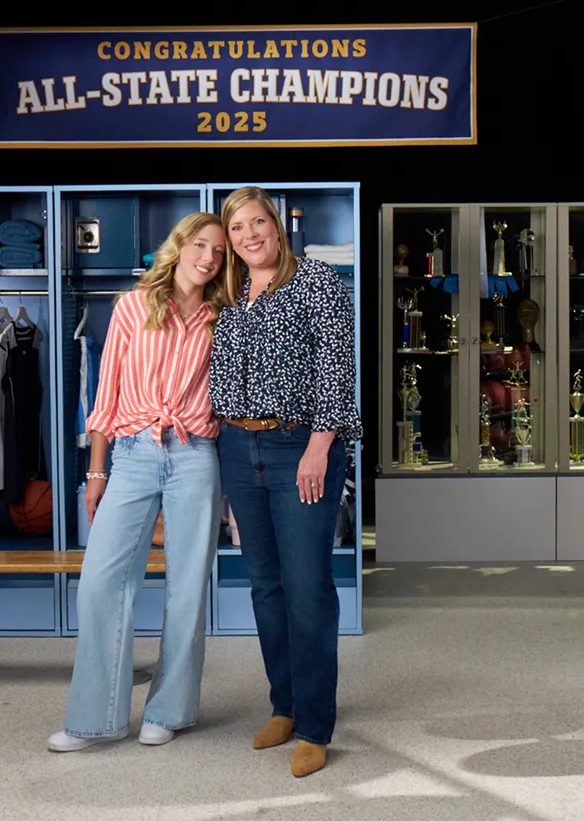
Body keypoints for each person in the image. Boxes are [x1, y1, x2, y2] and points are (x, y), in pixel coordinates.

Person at [48, 212, 226, 752]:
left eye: (220, 252)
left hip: (196, 454)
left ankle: (169, 710)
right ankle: (95, 719)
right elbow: (106, 398)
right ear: (180, 245)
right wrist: (96, 471)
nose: (209, 258)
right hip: (130, 454)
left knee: (188, 588)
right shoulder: (133, 305)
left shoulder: (225, 316)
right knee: (102, 581)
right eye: (201, 245)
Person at [209, 186, 362, 777]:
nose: (250, 235)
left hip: (300, 443)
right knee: (265, 586)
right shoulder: (232, 295)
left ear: (275, 225)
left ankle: (317, 726)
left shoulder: (317, 281)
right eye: (238, 228)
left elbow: (336, 367)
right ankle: (286, 705)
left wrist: (320, 445)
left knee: (308, 588)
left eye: (257, 221)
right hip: (237, 448)